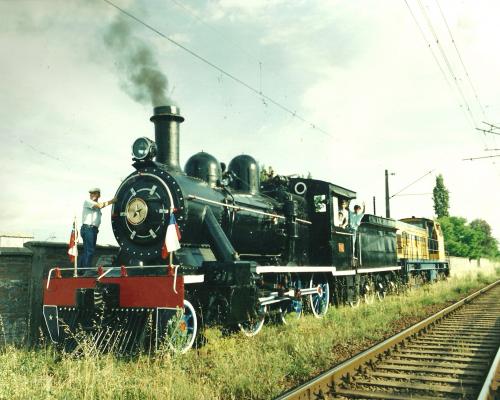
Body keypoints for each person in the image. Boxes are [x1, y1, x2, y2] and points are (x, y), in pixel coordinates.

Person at [79, 188, 116, 274]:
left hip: (92, 230)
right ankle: (85, 271)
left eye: (94, 194)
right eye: (91, 194)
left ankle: (81, 270)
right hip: (88, 229)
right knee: (89, 250)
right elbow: (100, 205)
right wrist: (112, 201)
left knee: (87, 250)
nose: (92, 195)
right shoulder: (88, 202)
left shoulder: (94, 204)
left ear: (98, 195)